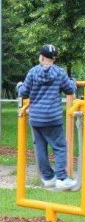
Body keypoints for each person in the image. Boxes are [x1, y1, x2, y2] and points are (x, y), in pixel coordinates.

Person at [17, 44, 77, 190]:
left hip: (36, 118)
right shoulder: (60, 72)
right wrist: (73, 82)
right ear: (54, 59)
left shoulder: (33, 72)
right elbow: (69, 89)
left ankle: (48, 178)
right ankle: (61, 178)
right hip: (52, 117)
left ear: (41, 57)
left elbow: (23, 92)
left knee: (40, 148)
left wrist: (18, 86)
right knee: (60, 147)